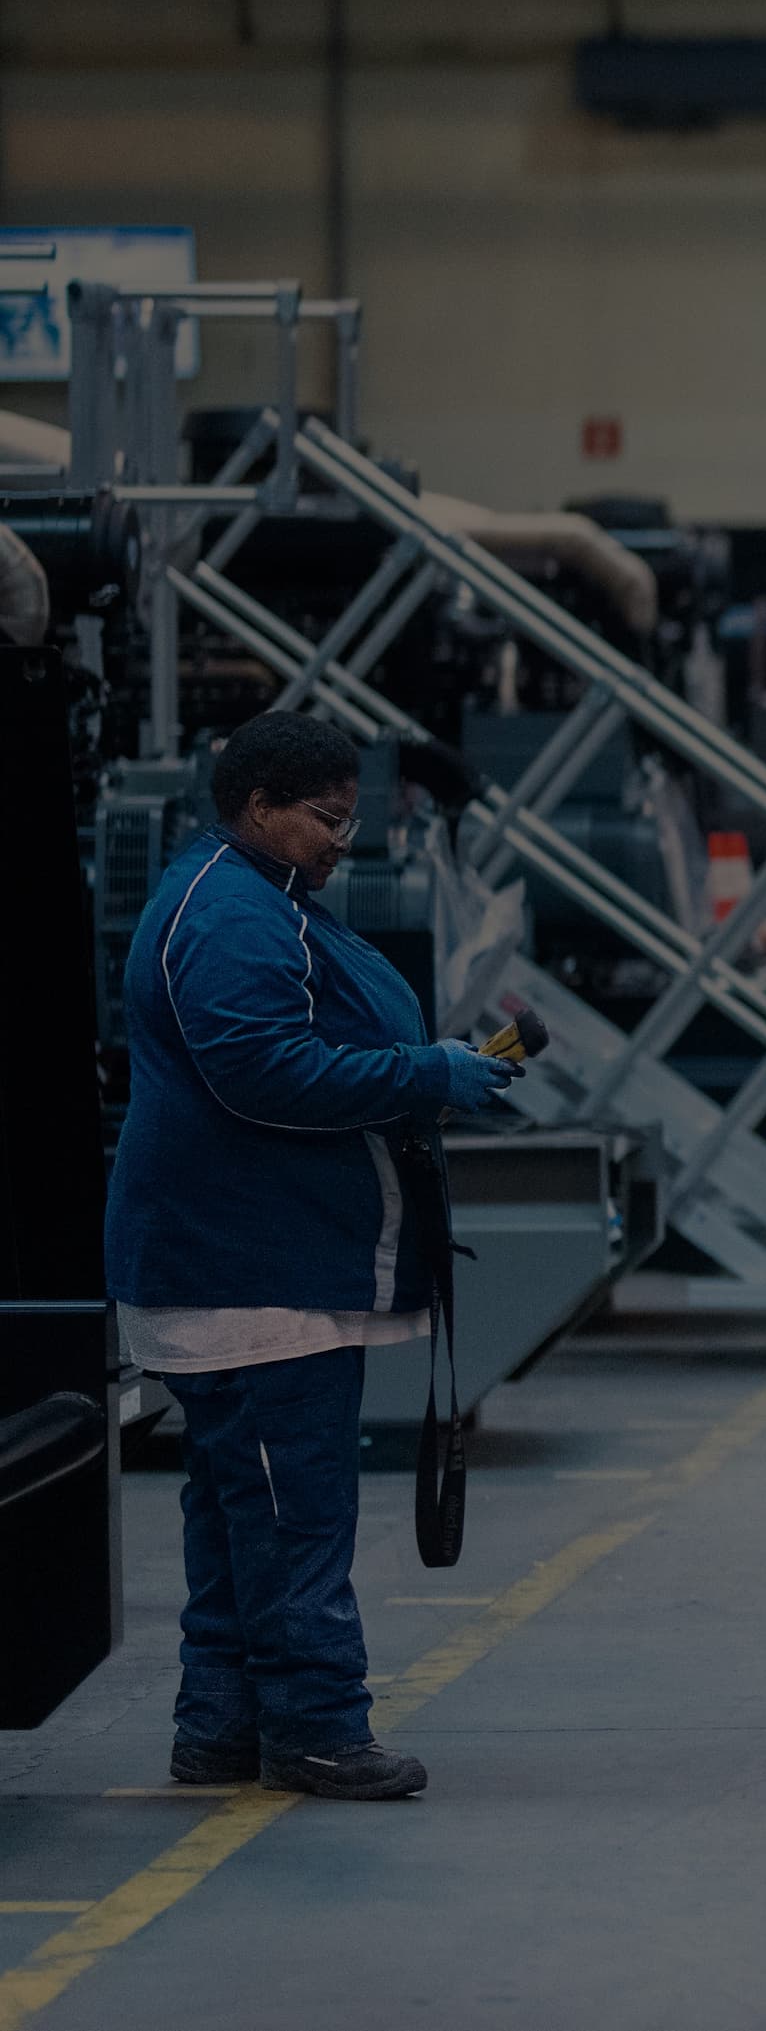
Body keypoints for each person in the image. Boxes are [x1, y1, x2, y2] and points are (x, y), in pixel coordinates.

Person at [102, 711, 522, 1800]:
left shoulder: (260, 894)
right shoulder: (230, 913)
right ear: (258, 807)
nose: (345, 839)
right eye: (327, 819)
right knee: (294, 1515)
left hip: (253, 1266)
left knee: (239, 1511)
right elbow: (265, 1071)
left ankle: (220, 1727)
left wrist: (430, 1066)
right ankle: (318, 1729)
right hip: (250, 1275)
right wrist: (427, 1073)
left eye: (350, 818)